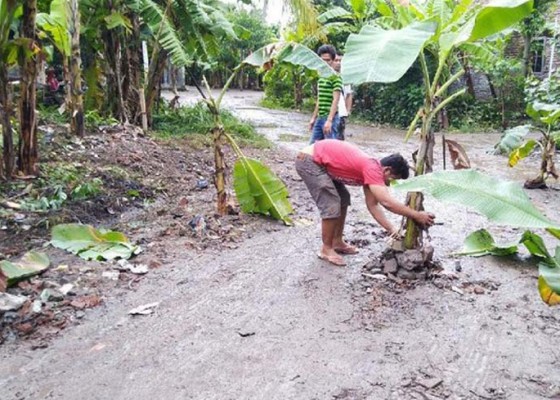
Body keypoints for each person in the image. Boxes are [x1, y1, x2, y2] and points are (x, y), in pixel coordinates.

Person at [295, 139, 435, 266]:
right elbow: (386, 202)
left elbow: (373, 205)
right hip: (310, 161)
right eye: (392, 179)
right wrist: (417, 215)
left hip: (320, 161)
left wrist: (391, 229)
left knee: (343, 199)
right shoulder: (373, 169)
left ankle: (337, 242)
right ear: (387, 170)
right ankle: (326, 249)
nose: (390, 184)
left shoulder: (371, 170)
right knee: (331, 203)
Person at [309, 45, 342, 143]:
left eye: (328, 60)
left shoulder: (336, 78)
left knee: (330, 148)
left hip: (330, 118)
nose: (325, 63)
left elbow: (335, 100)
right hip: (320, 117)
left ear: (332, 60)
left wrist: (329, 120)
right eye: (323, 60)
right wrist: (313, 118)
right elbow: (320, 99)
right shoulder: (321, 77)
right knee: (313, 147)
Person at [332, 53, 353, 140]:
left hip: (341, 113)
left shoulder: (345, 78)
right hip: (329, 112)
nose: (338, 63)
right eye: (336, 60)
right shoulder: (328, 77)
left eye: (340, 61)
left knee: (339, 137)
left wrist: (347, 111)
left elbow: (349, 94)